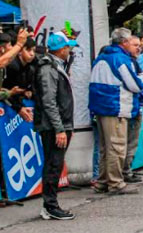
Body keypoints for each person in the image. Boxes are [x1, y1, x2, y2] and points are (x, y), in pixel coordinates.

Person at [89, 28, 143, 195]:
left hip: (100, 107)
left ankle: (102, 181)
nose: (136, 47)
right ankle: (116, 183)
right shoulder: (121, 59)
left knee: (104, 147)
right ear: (124, 43)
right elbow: (135, 85)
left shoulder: (102, 57)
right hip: (115, 106)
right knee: (116, 147)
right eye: (132, 42)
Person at [34, 32, 77, 220]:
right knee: (53, 164)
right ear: (61, 49)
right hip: (53, 126)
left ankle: (50, 204)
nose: (69, 50)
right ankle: (50, 205)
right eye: (67, 47)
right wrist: (59, 129)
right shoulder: (48, 68)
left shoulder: (56, 66)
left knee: (55, 164)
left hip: (60, 124)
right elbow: (49, 101)